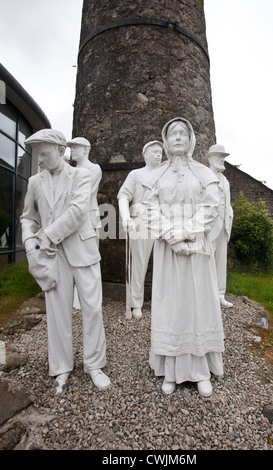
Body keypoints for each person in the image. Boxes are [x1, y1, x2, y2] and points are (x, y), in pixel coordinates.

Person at [20, 129, 110, 394]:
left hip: (82, 249)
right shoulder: (34, 181)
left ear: (61, 151)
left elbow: (78, 211)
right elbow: (28, 217)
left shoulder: (82, 176)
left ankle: (94, 365)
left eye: (45, 154)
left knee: (92, 309)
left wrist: (47, 235)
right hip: (52, 256)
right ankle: (61, 367)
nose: (41, 160)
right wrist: (28, 241)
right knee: (58, 313)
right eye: (38, 155)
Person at [142, 117, 224, 397]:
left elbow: (212, 207)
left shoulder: (203, 173)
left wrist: (185, 233)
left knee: (197, 306)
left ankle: (200, 371)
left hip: (196, 249)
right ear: (165, 141)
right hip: (168, 251)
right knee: (171, 306)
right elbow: (149, 209)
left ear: (191, 140)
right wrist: (170, 236)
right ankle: (171, 370)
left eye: (182, 133)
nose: (177, 138)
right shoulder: (157, 176)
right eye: (172, 134)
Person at [117, 141, 163, 318]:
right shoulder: (135, 174)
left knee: (163, 264)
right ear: (145, 155)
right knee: (139, 263)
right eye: (154, 152)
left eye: (160, 152)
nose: (159, 155)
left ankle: (162, 302)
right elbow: (123, 196)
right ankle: (136, 303)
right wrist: (125, 217)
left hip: (161, 221)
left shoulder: (166, 176)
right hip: (141, 221)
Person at [67, 137, 102, 309]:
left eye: (75, 148)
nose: (72, 151)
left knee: (91, 256)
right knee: (74, 255)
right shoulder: (69, 170)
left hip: (88, 216)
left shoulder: (93, 169)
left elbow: (86, 194)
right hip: (72, 216)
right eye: (71, 148)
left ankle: (91, 296)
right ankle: (76, 295)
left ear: (85, 150)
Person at [206, 144, 234, 308]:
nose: (222, 159)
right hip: (209, 227)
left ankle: (220, 295)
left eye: (223, 157)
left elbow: (226, 202)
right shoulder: (204, 177)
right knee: (205, 261)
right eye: (219, 156)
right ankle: (205, 295)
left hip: (223, 226)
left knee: (220, 262)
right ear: (210, 158)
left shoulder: (226, 181)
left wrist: (229, 214)